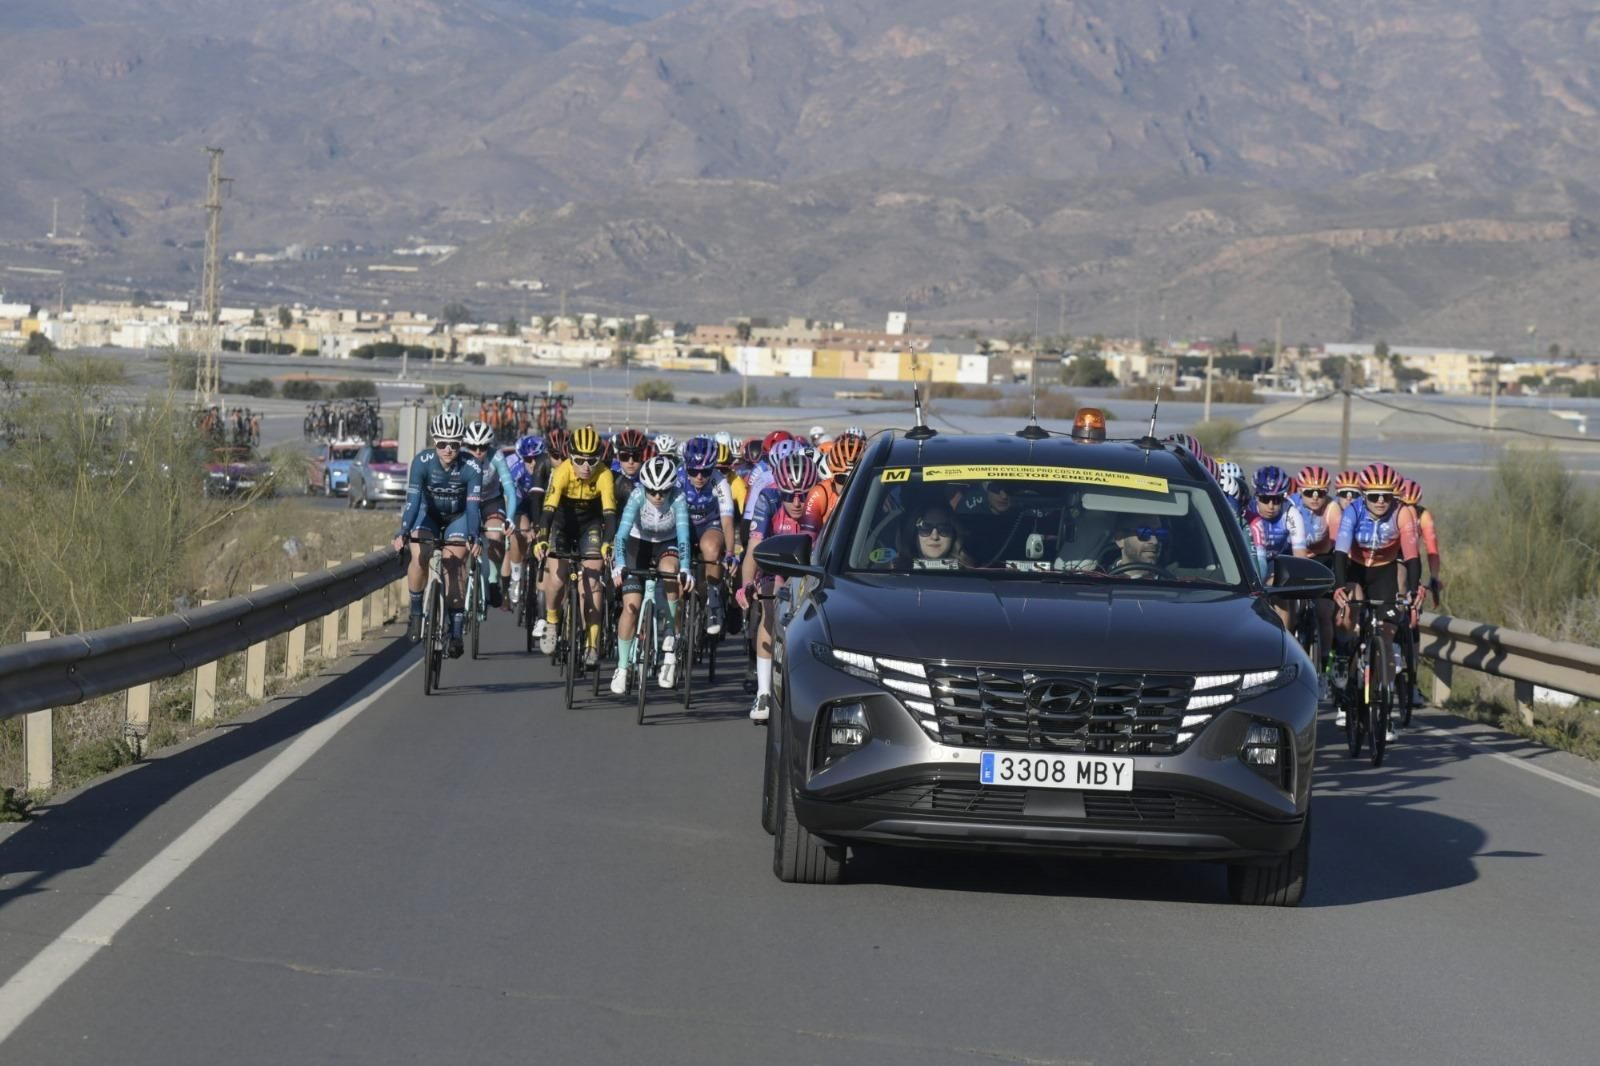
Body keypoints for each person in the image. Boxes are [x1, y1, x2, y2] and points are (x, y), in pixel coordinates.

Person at [1332, 462, 1421, 740]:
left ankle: (1386, 710)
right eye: (1373, 496)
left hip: (1384, 573)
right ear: (1363, 496)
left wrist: (1414, 591)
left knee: (1387, 638)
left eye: (1386, 496)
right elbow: (1340, 552)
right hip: (1356, 570)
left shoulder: (1403, 512)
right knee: (1348, 617)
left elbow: (1411, 557)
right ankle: (1346, 673)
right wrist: (1338, 588)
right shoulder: (1352, 511)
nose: (1381, 501)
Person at [739, 450, 823, 722]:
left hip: (810, 564)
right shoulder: (768, 498)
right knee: (768, 612)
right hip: (773, 563)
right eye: (790, 496)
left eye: (803, 495)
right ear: (780, 491)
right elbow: (754, 548)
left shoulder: (818, 500)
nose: (797, 502)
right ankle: (764, 692)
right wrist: (746, 585)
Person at [394, 413, 481, 658]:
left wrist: (474, 536)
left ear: (461, 444)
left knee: (455, 565)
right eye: (443, 444)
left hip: (458, 517)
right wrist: (403, 532)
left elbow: (473, 507)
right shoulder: (421, 462)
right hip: (427, 514)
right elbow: (412, 501)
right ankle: (416, 612)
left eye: (454, 444)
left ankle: (454, 631)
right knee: (418, 554)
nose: (448, 449)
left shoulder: (471, 467)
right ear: (434, 442)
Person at [535, 424, 617, 667]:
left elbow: (610, 514)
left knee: (591, 584)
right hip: (561, 524)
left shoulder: (604, 475)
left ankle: (592, 643)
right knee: (558, 579)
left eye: (591, 460)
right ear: (570, 456)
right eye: (579, 459)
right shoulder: (560, 472)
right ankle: (551, 621)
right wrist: (541, 537)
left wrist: (607, 543)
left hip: (589, 526)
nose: (585, 466)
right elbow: (547, 510)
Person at [610, 455, 692, 694]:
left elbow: (684, 536)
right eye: (652, 491)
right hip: (638, 544)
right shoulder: (636, 496)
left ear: (671, 489)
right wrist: (620, 564)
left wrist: (685, 567)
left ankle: (670, 632)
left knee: (670, 571)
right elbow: (622, 534)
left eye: (663, 492)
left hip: (667, 543)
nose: (657, 496)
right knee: (631, 607)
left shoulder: (678, 498)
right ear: (644, 487)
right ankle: (622, 667)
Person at [679, 436, 739, 635]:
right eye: (693, 471)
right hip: (683, 526)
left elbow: (728, 522)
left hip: (710, 526)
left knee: (711, 548)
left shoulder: (720, 482)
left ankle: (713, 598)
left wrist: (729, 553)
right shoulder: (677, 478)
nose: (699, 477)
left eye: (705, 471)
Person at [1293, 465, 1343, 700]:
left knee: (1324, 612)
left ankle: (1324, 669)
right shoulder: (1291, 505)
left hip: (1323, 558)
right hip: (1296, 557)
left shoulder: (1332, 508)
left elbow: (1334, 541)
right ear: (1300, 491)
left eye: (1320, 492)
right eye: (1309, 492)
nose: (1315, 497)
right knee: (1290, 613)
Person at [462, 420, 517, 609]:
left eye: (482, 447)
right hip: (467, 499)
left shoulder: (496, 457)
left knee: (495, 535)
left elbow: (509, 489)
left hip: (490, 501)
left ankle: (493, 580)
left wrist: (509, 519)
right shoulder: (461, 458)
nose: (477, 451)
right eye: (473, 447)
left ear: (489, 446)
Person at [1247, 465, 1308, 626]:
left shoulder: (1291, 513)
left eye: (1277, 499)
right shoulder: (1247, 511)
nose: (1271, 505)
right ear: (1256, 496)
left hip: (1279, 563)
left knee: (1280, 592)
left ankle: (1285, 642)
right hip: (1251, 561)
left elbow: (1300, 557)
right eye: (1265, 499)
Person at [504, 435, 549, 614]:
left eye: (536, 459)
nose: (532, 463)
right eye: (527, 459)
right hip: (521, 502)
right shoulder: (514, 467)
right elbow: (511, 500)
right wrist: (526, 527)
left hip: (542, 503)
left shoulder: (548, 468)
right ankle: (515, 576)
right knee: (518, 532)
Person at [897, 500, 964, 569]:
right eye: (925, 528)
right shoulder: (893, 572)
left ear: (954, 535)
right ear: (913, 533)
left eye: (944, 529)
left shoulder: (971, 574)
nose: (935, 536)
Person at [1106, 514, 1171, 577]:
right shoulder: (1100, 581)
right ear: (1120, 538)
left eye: (1160, 533)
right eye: (1144, 533)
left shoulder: (1176, 583)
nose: (1155, 541)